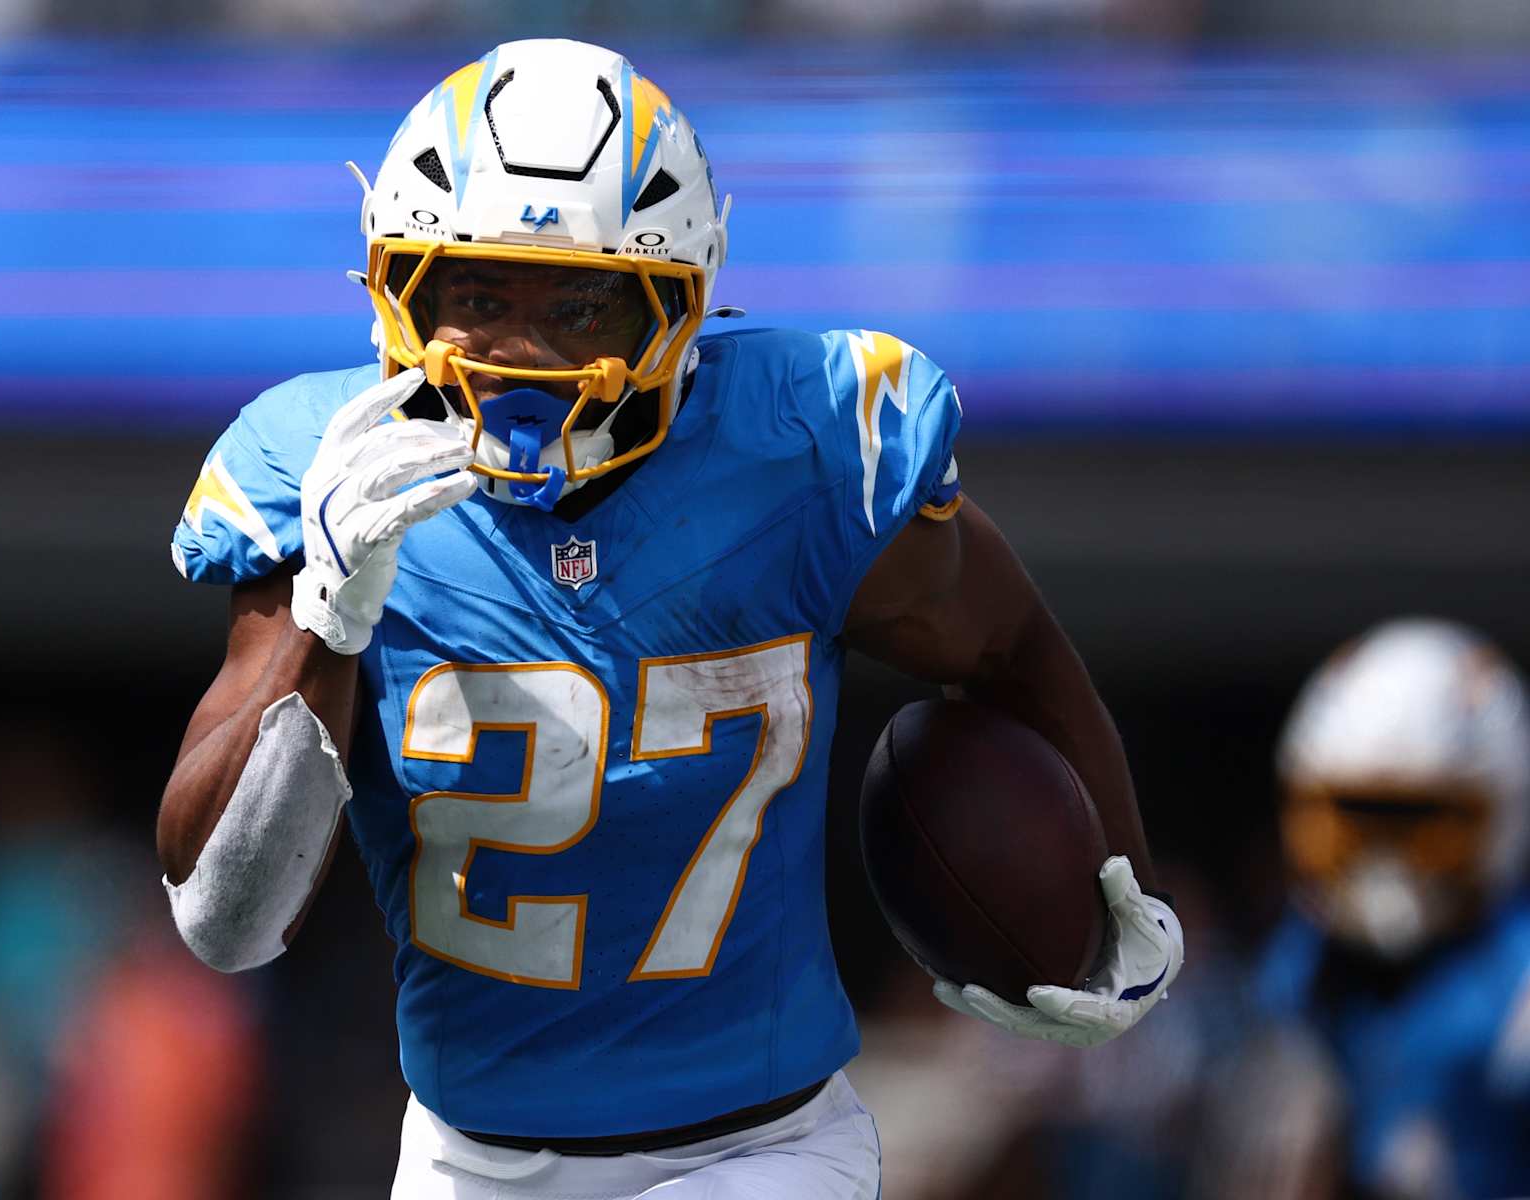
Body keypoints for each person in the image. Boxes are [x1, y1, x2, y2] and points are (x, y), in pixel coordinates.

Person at [155, 39, 1182, 1198]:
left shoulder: (801, 447)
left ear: (677, 302)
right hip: (462, 1159)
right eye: (477, 292)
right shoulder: (325, 477)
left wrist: (1114, 889)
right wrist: (324, 618)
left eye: (582, 300)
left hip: (760, 1153)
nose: (519, 354)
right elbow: (225, 926)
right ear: (397, 285)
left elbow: (1006, 643)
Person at [1253, 618, 1530, 1200]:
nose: (1383, 861)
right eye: (1356, 818)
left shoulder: (1518, 985)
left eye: (1415, 821)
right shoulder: (1304, 965)